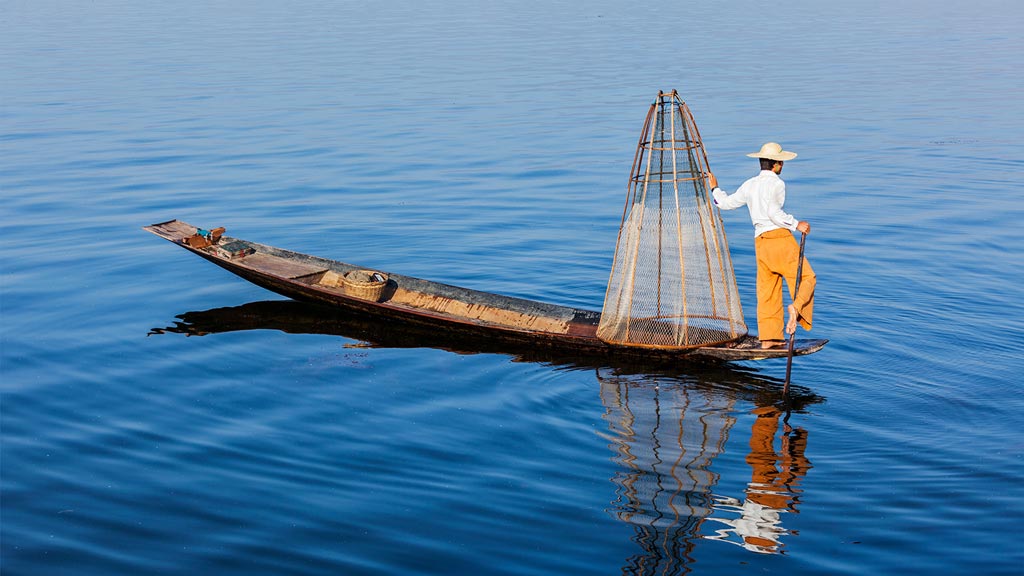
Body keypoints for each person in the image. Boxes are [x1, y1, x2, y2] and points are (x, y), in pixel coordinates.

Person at [706, 142, 815, 349]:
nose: (782, 165)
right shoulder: (777, 184)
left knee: (768, 292)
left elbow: (724, 203)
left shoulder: (750, 184)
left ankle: (770, 339)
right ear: (776, 165)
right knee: (807, 278)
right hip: (779, 239)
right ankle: (796, 308)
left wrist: (715, 187)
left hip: (761, 243)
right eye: (781, 162)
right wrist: (796, 224)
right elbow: (774, 213)